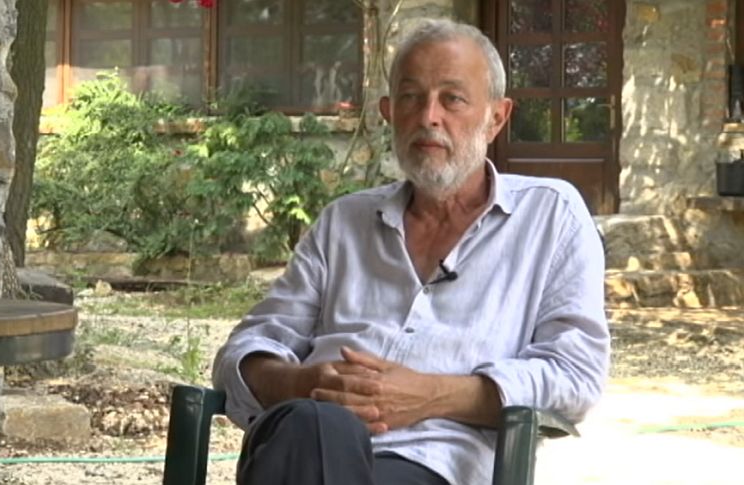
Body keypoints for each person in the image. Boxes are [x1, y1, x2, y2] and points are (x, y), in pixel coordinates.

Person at [212, 17, 610, 485]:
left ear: (497, 118)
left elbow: (575, 375)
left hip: (435, 463)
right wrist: (304, 382)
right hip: (303, 444)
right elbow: (243, 352)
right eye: (410, 97)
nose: (428, 117)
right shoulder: (344, 223)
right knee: (311, 426)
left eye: (452, 99)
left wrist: (432, 394)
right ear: (388, 112)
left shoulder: (550, 216)